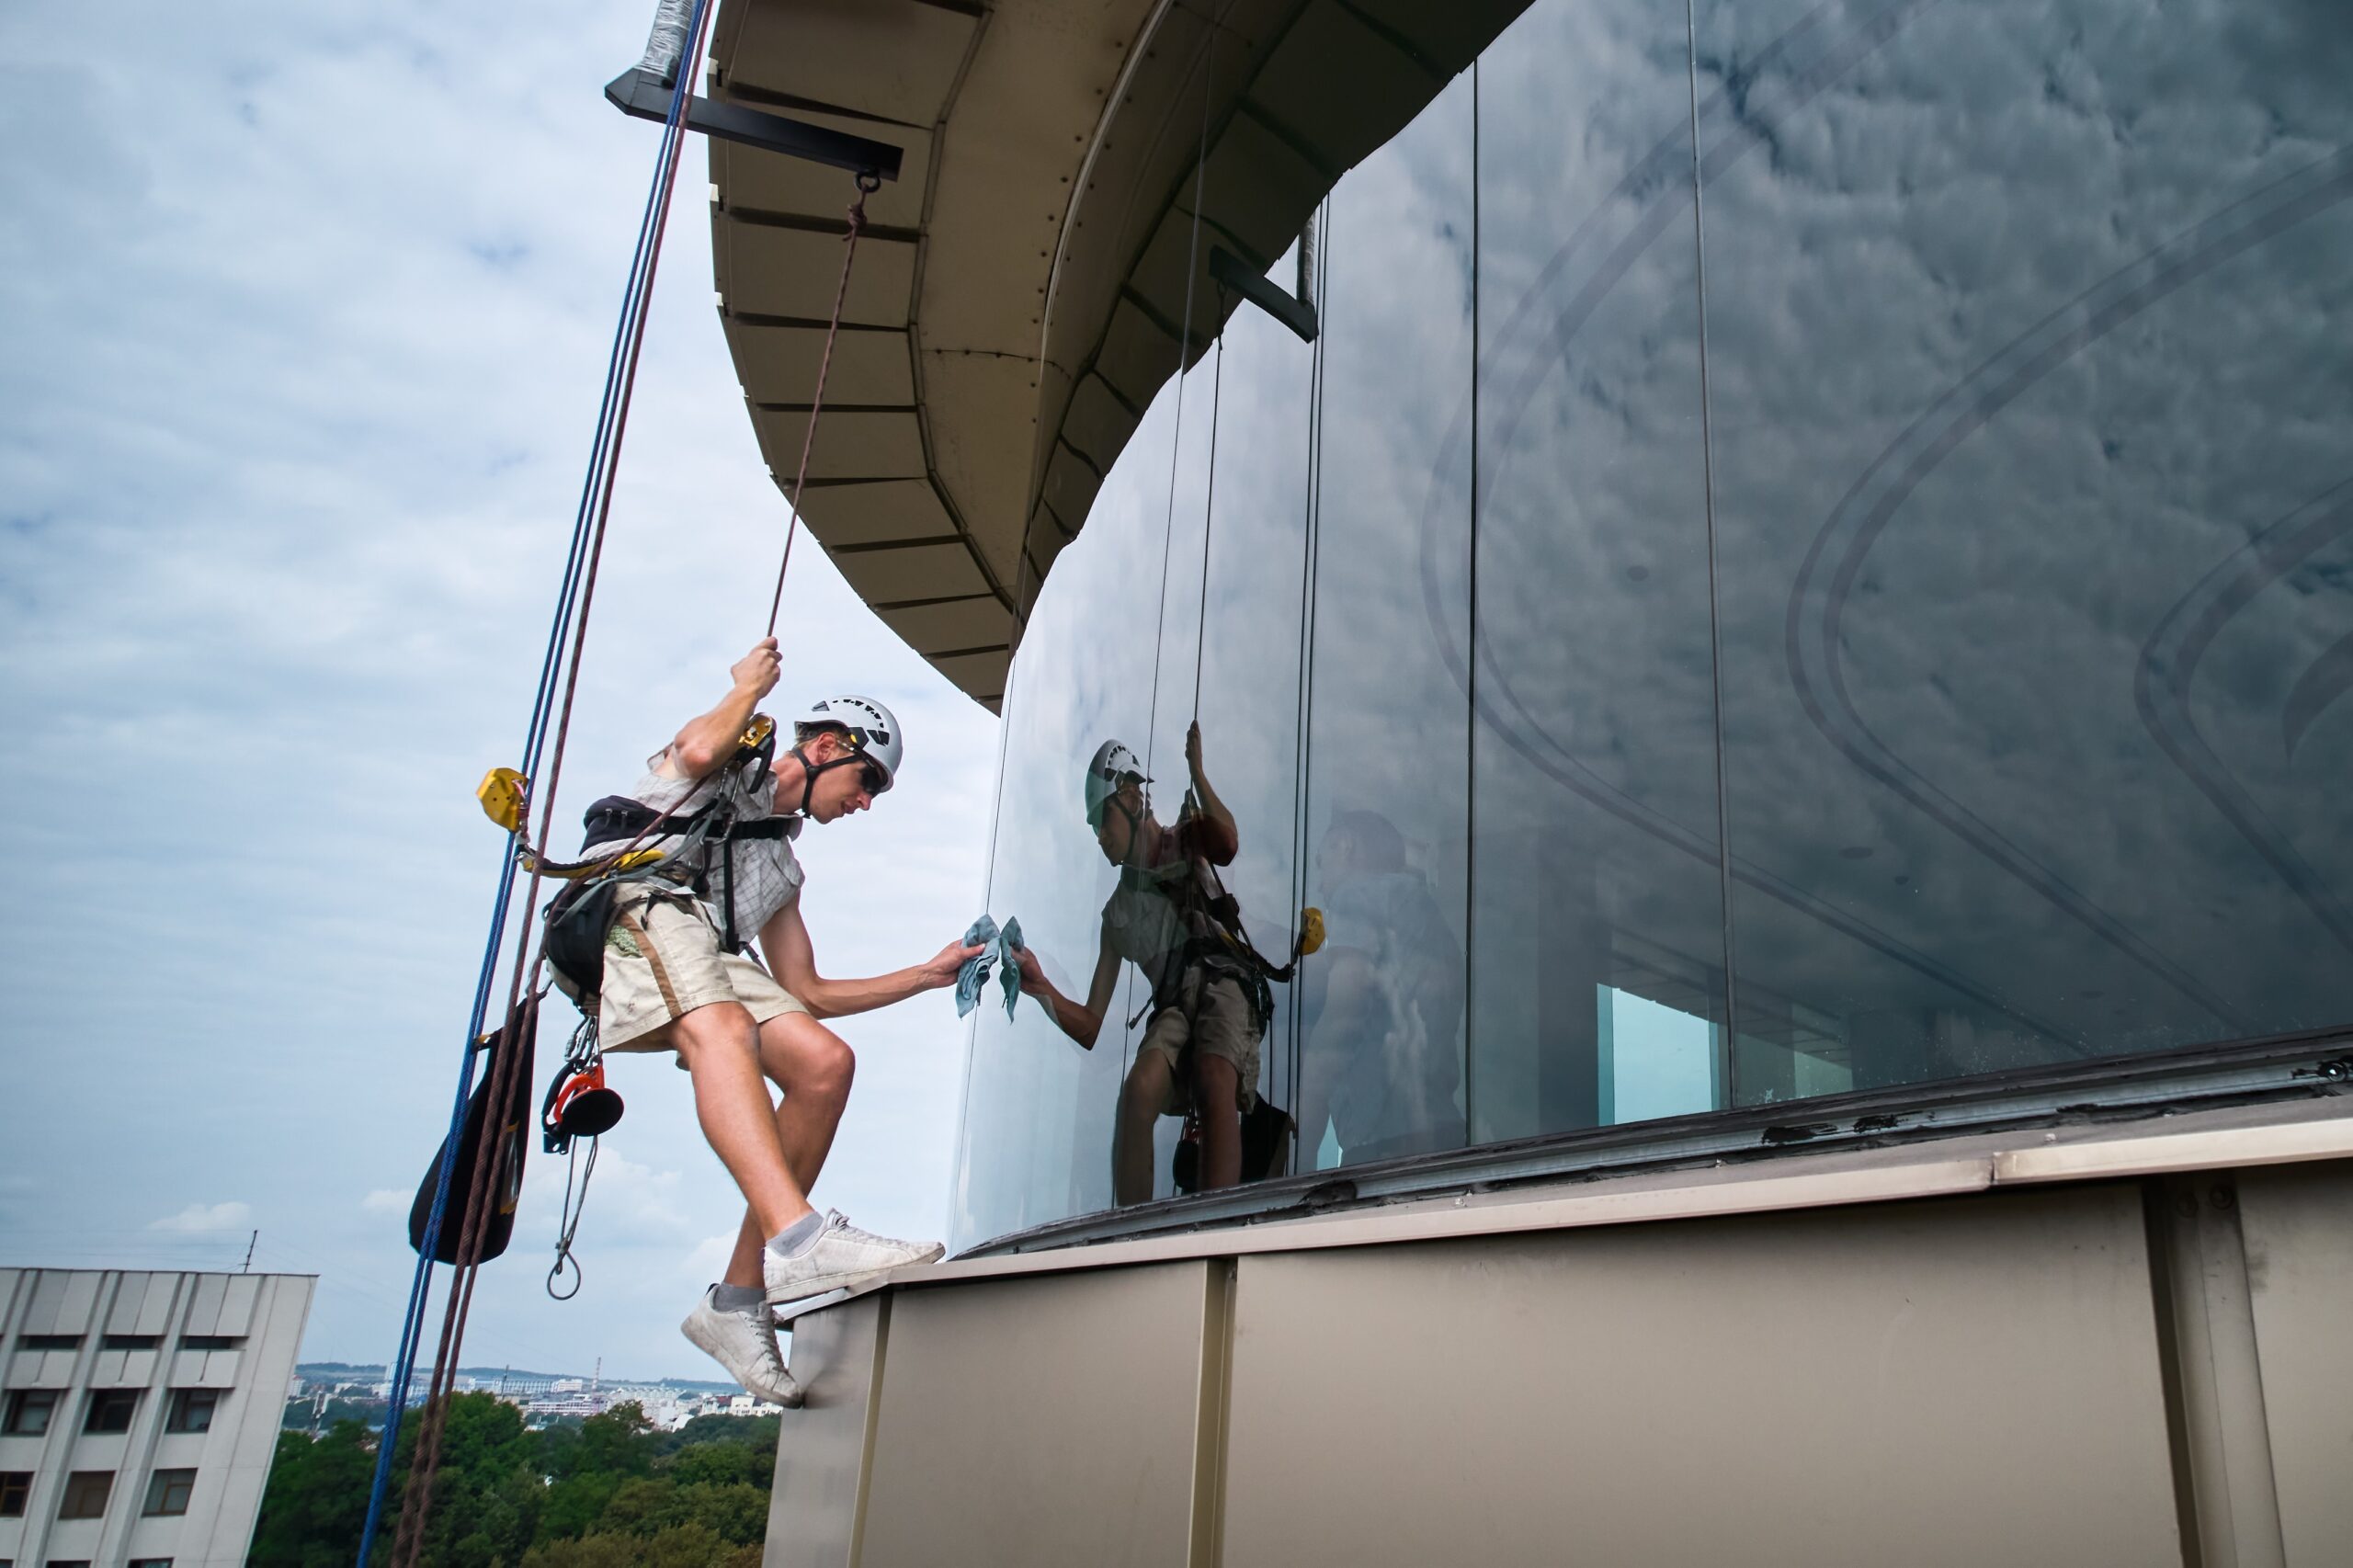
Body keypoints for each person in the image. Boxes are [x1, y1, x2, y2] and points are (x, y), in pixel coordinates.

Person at [561, 637, 982, 1408]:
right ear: (824, 747)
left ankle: (737, 1301)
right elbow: (692, 748)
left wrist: (926, 974)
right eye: (866, 782)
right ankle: (799, 1241)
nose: (864, 804)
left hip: (696, 945)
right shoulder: (733, 759)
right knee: (721, 1027)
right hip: (628, 906)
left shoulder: (782, 870)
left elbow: (807, 992)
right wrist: (747, 689)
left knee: (824, 1064)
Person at [1013, 723, 1267, 1205]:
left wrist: (1198, 772)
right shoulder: (1117, 916)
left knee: (1216, 1075)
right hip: (1175, 1005)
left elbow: (1228, 844)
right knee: (1138, 1092)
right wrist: (1041, 987)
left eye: (1100, 821)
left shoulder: (1185, 840)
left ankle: (1214, 1225)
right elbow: (1090, 1026)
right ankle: (1131, 1230)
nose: (1099, 836)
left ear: (1130, 799)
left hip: (1222, 982)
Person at [1295, 809, 1466, 1165]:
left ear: (1345, 846)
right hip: (1439, 1132)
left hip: (1385, 1147)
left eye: (1321, 862)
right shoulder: (1429, 921)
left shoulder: (1359, 893)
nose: (1321, 885)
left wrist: (1297, 1149)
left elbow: (1341, 1020)